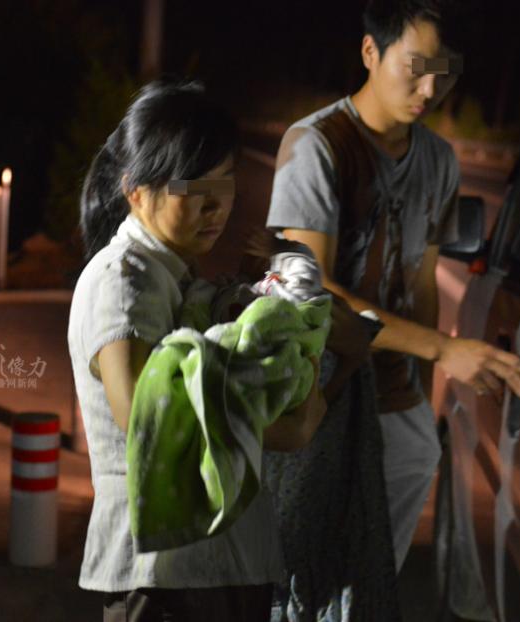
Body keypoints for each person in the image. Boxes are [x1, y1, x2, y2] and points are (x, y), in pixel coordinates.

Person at [266, 0, 520, 573]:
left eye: (441, 69)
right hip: (320, 400)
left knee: (374, 581)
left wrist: (426, 391)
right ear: (369, 52)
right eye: (415, 66)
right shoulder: (316, 146)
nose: (430, 87)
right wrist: (441, 349)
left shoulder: (439, 160)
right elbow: (312, 294)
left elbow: (424, 279)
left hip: (397, 405)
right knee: (304, 582)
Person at [67, 76, 326, 622]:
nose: (216, 207)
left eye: (226, 183)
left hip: (213, 569)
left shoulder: (179, 278)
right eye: (192, 190)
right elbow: (147, 417)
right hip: (167, 581)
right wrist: (288, 429)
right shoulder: (123, 280)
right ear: (137, 191)